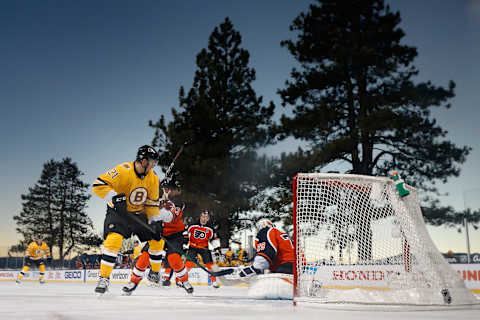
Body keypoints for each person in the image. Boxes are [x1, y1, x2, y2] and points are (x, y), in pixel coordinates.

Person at [92, 145, 165, 294]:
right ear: (143, 161)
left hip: (138, 213)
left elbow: (151, 204)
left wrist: (155, 221)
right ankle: (104, 278)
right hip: (119, 213)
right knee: (114, 240)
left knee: (158, 239)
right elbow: (97, 185)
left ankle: (155, 272)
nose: (153, 165)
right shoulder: (123, 170)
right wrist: (114, 197)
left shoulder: (153, 177)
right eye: (152, 162)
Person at [122, 175, 194, 295]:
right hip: (159, 234)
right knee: (144, 257)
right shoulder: (156, 198)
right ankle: (133, 283)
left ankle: (185, 281)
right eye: (166, 188)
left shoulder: (177, 202)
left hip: (174, 235)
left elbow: (167, 216)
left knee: (173, 258)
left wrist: (150, 211)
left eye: (171, 189)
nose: (169, 191)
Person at [228, 218, 295, 280]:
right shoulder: (280, 233)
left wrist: (253, 268)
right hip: (297, 266)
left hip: (284, 266)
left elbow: (266, 254)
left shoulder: (266, 231)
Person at [185, 210, 221, 288]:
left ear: (208, 219)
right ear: (200, 217)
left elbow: (214, 240)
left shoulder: (211, 228)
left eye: (206, 217)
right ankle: (183, 280)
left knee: (211, 265)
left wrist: (217, 250)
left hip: (204, 248)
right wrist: (184, 244)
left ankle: (214, 281)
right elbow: (185, 234)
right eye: (203, 217)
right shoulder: (192, 225)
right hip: (193, 247)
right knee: (188, 264)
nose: (204, 219)